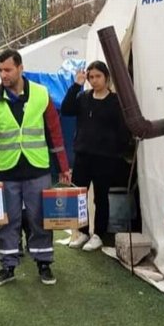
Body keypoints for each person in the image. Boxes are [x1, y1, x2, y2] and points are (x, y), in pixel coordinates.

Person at [0, 49, 71, 287]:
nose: (3, 74)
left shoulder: (42, 95)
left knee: (39, 218)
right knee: (7, 220)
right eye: (0, 70)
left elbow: (55, 134)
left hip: (37, 169)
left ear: (20, 68)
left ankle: (44, 264)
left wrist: (64, 167)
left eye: (8, 70)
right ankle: (7, 267)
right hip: (7, 171)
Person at [60, 60, 132, 251]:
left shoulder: (115, 101)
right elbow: (66, 109)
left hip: (105, 157)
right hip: (83, 154)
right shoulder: (83, 97)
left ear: (106, 77)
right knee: (79, 196)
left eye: (97, 76)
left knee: (100, 197)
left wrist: (116, 150)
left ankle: (99, 234)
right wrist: (76, 84)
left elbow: (123, 130)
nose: (94, 80)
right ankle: (82, 231)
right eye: (91, 77)